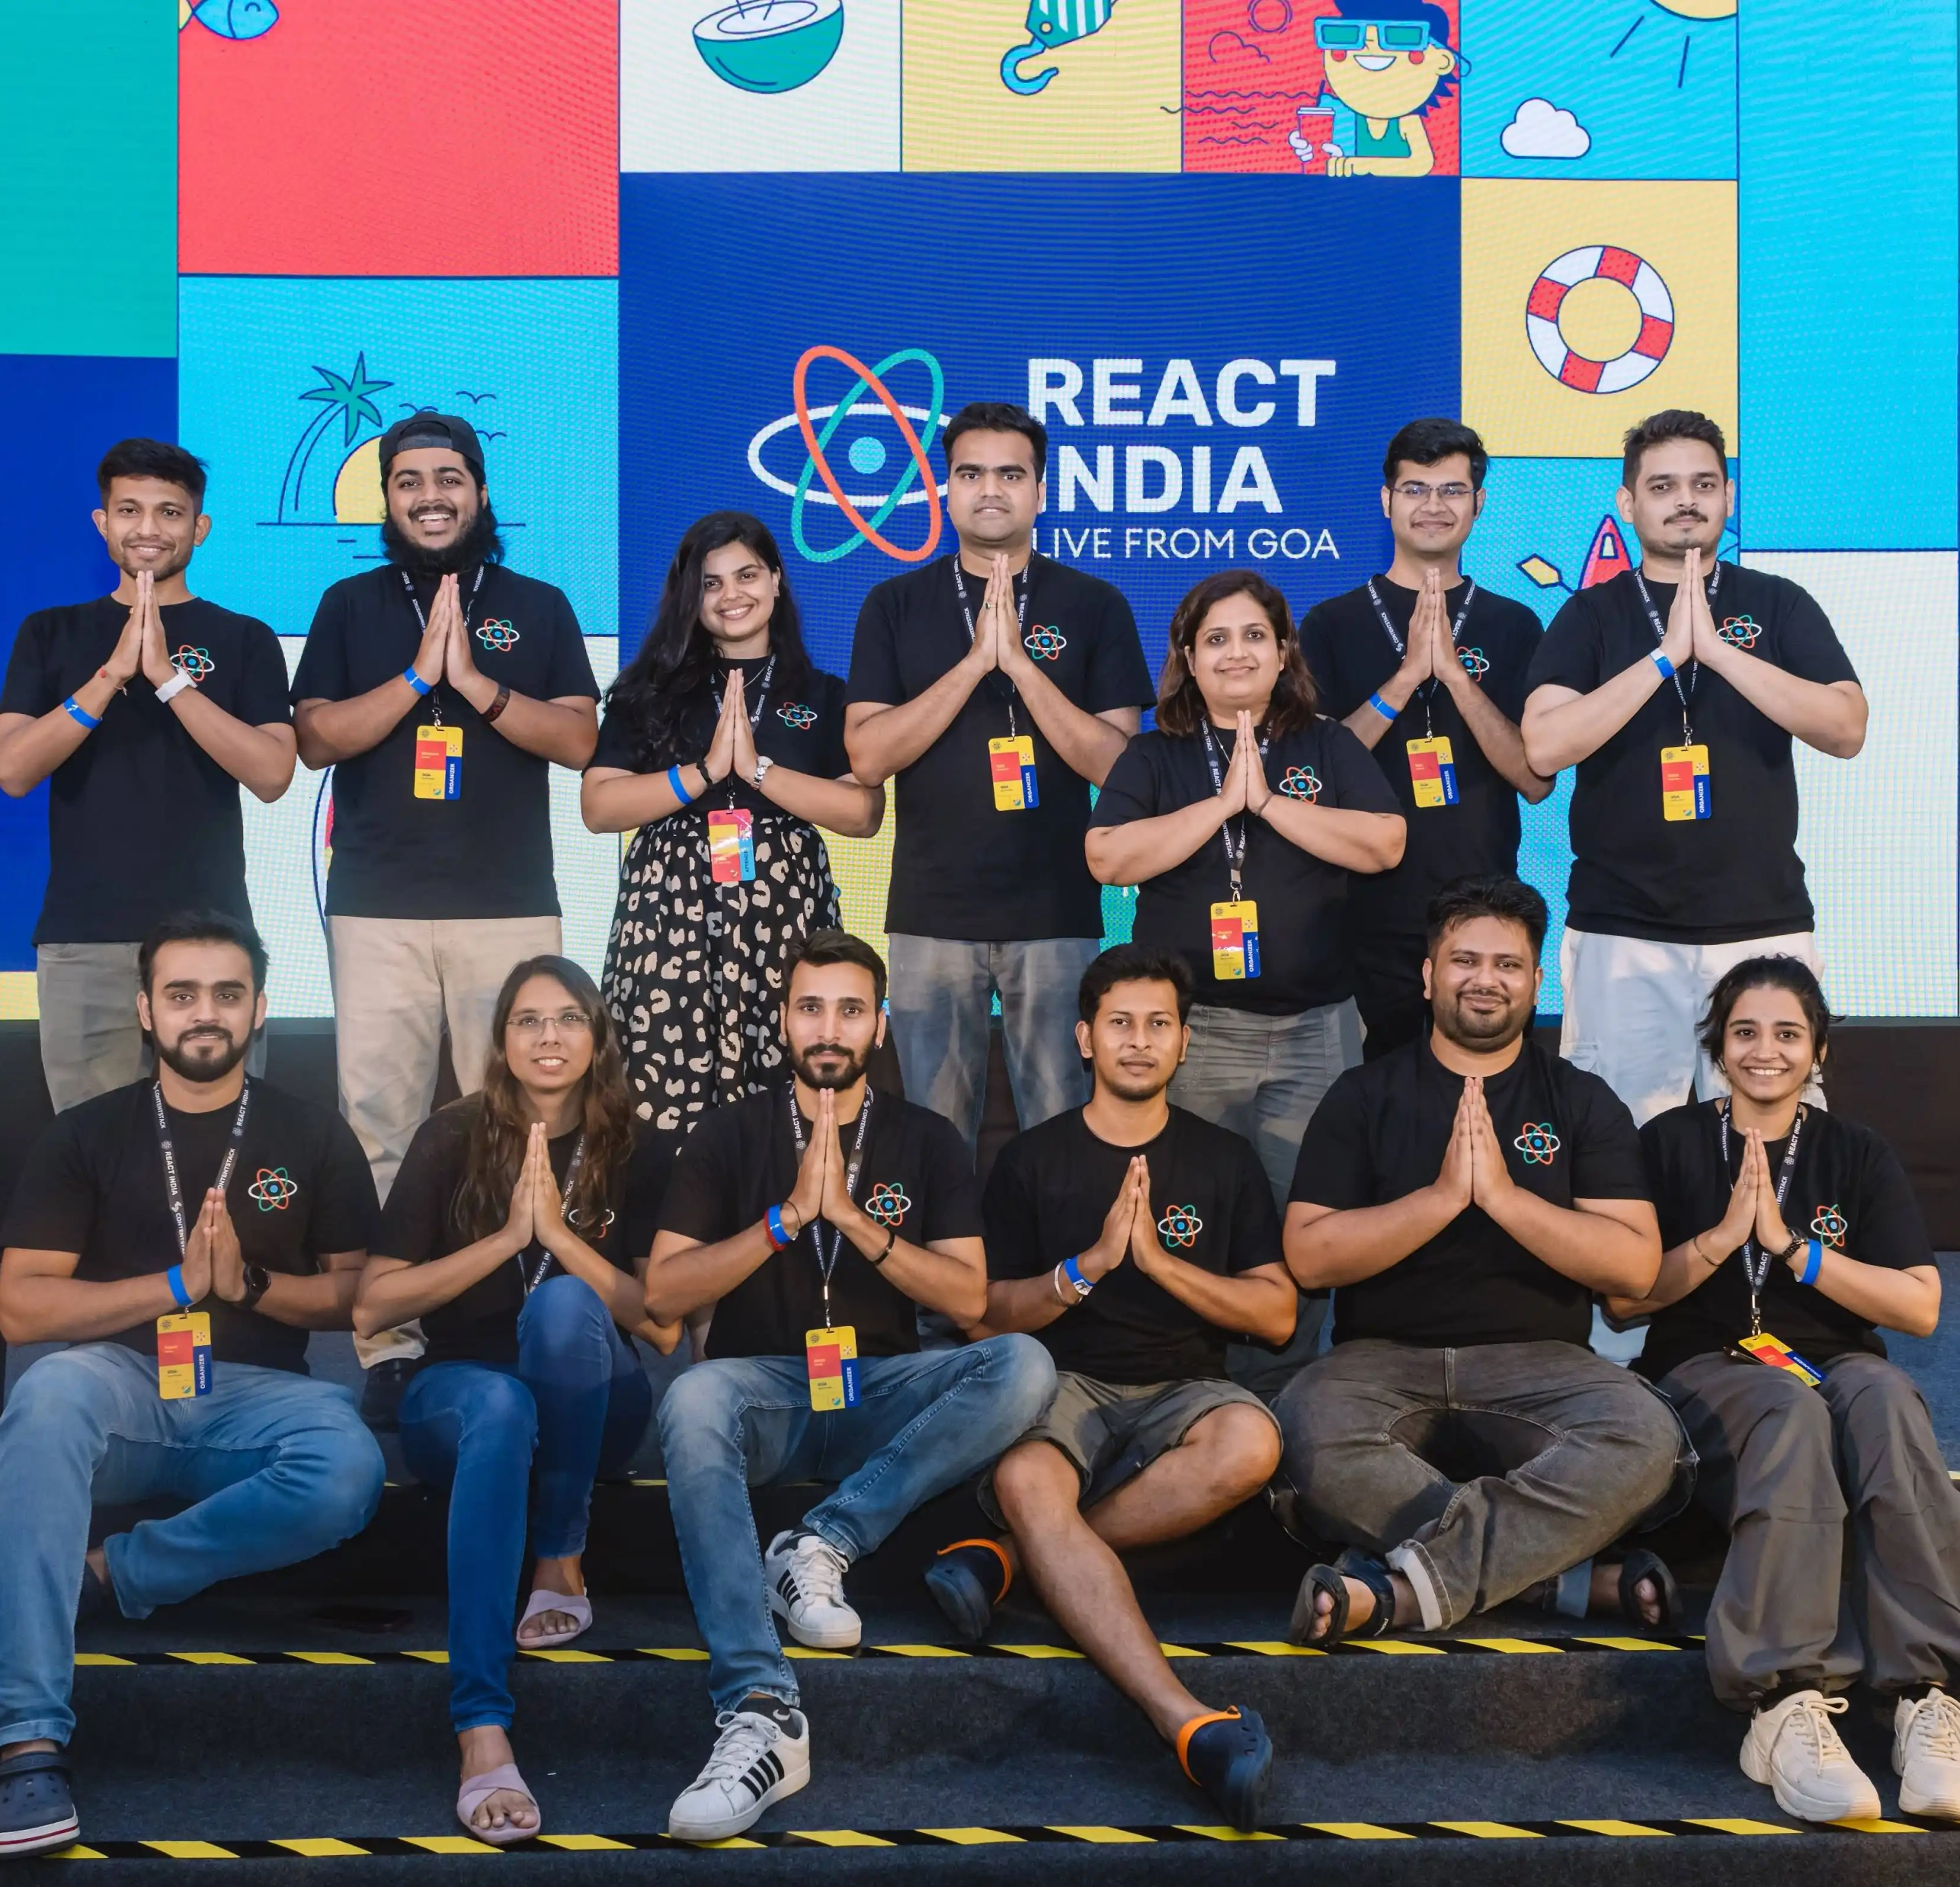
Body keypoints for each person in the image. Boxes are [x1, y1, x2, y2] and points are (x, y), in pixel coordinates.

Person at [0, 914, 382, 1858]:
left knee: (347, 1462)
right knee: (44, 1399)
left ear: (261, 1008)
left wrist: (250, 1286)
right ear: (145, 1009)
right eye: (184, 994)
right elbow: (20, 1309)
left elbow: (362, 1290)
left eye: (228, 994)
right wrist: (171, 1288)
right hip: (124, 1387)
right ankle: (25, 1740)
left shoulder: (312, 1133)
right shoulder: (86, 1134)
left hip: (260, 1396)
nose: (207, 1013)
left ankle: (116, 1573)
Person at [640, 932, 1055, 1841]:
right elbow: (663, 1295)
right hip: (771, 1395)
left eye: (851, 1008)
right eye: (812, 1006)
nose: (830, 1028)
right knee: (693, 1397)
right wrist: (789, 1217)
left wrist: (854, 1221)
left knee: (1023, 1361)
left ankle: (820, 1542)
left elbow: (970, 1296)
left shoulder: (926, 1136)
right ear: (784, 1018)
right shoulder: (730, 1130)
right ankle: (762, 1707)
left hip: (880, 1392)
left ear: (880, 1021)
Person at [1603, 956, 1960, 1825]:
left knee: (1887, 1401)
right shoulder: (1668, 1141)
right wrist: (1717, 1241)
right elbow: (1624, 1299)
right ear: (1717, 1044)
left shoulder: (1855, 1151)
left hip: (1832, 1358)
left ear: (1817, 1049)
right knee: (1790, 1413)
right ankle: (1780, 1701)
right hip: (1706, 1361)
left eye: (1786, 1033)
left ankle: (1925, 1698)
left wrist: (1792, 1248)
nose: (1765, 1051)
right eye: (1745, 1031)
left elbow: (1919, 1306)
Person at [925, 944, 1293, 1827]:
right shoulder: (1032, 1159)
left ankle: (1018, 1558)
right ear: (1084, 1037)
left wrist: (1163, 1266)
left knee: (1255, 1440)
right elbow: (985, 1317)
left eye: (1158, 1024)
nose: (1139, 1041)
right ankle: (1187, 1720)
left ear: (1184, 1040)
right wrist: (1085, 1267)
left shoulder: (1223, 1158)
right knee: (1022, 1480)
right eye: (1120, 1023)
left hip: (1186, 1387)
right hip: (1067, 1381)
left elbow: (1277, 1314)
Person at [1273, 876, 1678, 1646]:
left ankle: (1396, 1588)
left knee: (1646, 1436)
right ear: (1429, 976)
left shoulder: (1581, 1100)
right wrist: (1439, 1199)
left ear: (1534, 980)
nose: (1485, 979)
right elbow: (1309, 1255)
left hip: (1544, 1363)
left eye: (1507, 964)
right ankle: (1558, 1579)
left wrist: (1500, 1196)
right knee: (1304, 1428)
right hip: (1378, 1363)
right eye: (1464, 960)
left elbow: (1633, 1266)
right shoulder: (1365, 1095)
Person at [288, 411, 600, 1379]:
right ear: (387, 496)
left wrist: (474, 686)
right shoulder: (349, 605)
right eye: (410, 480)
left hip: (507, 904)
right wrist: (420, 677)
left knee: (514, 1118)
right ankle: (388, 1346)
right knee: (378, 1123)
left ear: (479, 490)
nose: (431, 495)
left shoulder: (538, 606)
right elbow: (315, 738)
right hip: (377, 903)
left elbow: (581, 741)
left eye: (449, 478)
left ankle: (514, 1324)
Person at [353, 956, 682, 1844]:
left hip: (593, 1406)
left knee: (569, 1303)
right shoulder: (451, 1136)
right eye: (528, 1020)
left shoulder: (642, 1147)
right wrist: (508, 1237)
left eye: (569, 1018)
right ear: (499, 1041)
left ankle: (560, 1553)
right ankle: (481, 1729)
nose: (548, 1037)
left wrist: (560, 1241)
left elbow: (659, 1326)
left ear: (598, 1037)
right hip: (462, 1397)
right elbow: (375, 1303)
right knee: (501, 1403)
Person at [1087, 569, 1401, 1386]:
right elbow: (1107, 854)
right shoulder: (1154, 753)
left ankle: (1290, 1392)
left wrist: (1267, 804)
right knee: (1196, 1215)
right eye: (1216, 638)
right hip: (1196, 1039)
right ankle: (1189, 1385)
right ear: (1187, 656)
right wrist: (1222, 805)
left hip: (1315, 1029)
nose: (1236, 652)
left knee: (1306, 1219)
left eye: (1254, 635)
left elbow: (1384, 844)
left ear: (1284, 649)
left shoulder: (1327, 744)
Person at [1520, 409, 1868, 1124]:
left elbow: (1846, 727)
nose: (1686, 499)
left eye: (1704, 483)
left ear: (1728, 498)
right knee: (1617, 1135)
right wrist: (1663, 658)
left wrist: (1717, 652)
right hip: (1623, 930)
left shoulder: (1777, 603)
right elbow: (1545, 746)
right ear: (1629, 502)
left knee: (1779, 1133)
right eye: (1665, 484)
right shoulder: (1591, 616)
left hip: (1762, 923)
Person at [844, 401, 1153, 1154]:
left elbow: (1120, 764)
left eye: (1010, 473)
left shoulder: (1095, 604)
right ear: (945, 489)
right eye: (971, 473)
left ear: (1041, 490)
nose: (991, 489)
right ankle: (944, 1270)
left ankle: (1056, 1273)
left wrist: (1020, 666)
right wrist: (972, 665)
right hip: (930, 912)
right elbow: (867, 756)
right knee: (932, 1135)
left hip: (1057, 912)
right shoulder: (895, 604)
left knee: (1062, 1129)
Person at [0, 439, 295, 1112]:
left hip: (211, 939)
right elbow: (11, 768)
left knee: (220, 1150)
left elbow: (274, 772)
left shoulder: (245, 637)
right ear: (103, 522)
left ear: (199, 528)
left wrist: (165, 677)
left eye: (170, 512)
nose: (149, 528)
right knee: (92, 1156)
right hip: (85, 936)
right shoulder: (50, 632)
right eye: (130, 510)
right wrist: (110, 676)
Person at [587, 512, 882, 1132]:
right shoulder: (648, 691)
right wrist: (703, 772)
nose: (731, 596)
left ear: (776, 580)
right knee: (659, 1095)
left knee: (782, 1096)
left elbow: (862, 812)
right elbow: (599, 806)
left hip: (785, 917)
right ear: (689, 597)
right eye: (711, 583)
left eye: (746, 575)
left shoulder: (824, 694)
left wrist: (757, 772)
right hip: (669, 921)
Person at [1300, 418, 1548, 1059]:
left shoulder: (1515, 622)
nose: (1433, 507)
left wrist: (1457, 681)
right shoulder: (1331, 622)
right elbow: (1313, 776)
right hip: (1360, 912)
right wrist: (1407, 677)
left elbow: (1534, 777)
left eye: (1451, 490)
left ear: (1478, 502)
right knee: (1372, 1113)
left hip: (1481, 917)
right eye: (1415, 490)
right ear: (1386, 501)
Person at [1287, 2, 1459, 177]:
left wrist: (1365, 165)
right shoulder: (1340, 116)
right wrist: (1306, 147)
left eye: (1399, 35)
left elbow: (1422, 163)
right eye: (1349, 33)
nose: (1371, 40)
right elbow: (1330, 152)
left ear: (1442, 61)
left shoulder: (1405, 121)